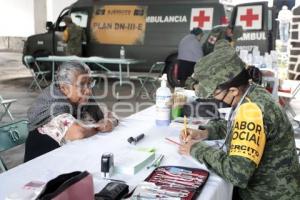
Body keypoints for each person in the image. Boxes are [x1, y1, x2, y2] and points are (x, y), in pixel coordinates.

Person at [179, 65, 300, 199]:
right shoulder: (252, 91)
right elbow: (236, 126)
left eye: (215, 93)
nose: (215, 98)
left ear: (233, 91)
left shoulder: (252, 111)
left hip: (268, 195)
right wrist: (205, 133)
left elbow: (236, 173)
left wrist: (196, 148)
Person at [24, 61, 118, 161]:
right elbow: (78, 132)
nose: (89, 91)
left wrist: (110, 121)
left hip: (67, 161)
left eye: (90, 83)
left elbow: (109, 114)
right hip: (41, 168)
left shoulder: (83, 98)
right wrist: (99, 126)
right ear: (64, 88)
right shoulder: (53, 104)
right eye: (82, 84)